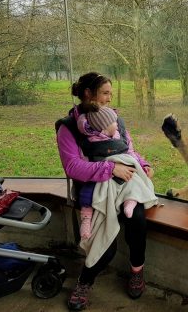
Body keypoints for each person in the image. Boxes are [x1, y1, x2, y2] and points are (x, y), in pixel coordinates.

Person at [55, 72, 154, 311]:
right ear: (88, 94)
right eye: (105, 93)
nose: (110, 98)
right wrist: (111, 169)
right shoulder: (68, 128)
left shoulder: (115, 120)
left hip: (124, 185)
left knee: (137, 223)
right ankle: (84, 281)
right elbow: (72, 166)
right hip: (95, 192)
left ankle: (137, 272)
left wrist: (143, 164)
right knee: (104, 247)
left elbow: (129, 149)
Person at [76, 105, 158, 240]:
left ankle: (130, 201)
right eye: (114, 122)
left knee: (133, 182)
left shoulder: (119, 135)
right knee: (87, 193)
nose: (117, 123)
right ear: (104, 127)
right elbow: (84, 161)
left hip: (122, 172)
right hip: (100, 175)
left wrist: (143, 164)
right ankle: (86, 219)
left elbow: (130, 152)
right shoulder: (90, 141)